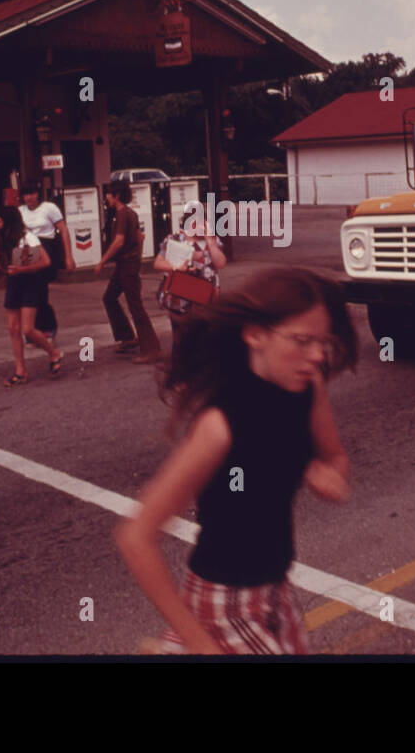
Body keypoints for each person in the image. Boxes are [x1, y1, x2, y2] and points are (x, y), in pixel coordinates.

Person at [115, 267, 358, 654]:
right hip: (222, 604)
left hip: (276, 592)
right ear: (255, 335)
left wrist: (327, 474)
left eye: (321, 342)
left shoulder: (306, 387)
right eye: (301, 340)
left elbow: (335, 457)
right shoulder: (220, 425)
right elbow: (135, 536)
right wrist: (200, 643)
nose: (315, 355)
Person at [0, 208, 63, 385]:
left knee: (27, 329)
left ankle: (53, 353)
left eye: (0, 221)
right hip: (14, 282)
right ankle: (20, 370)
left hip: (31, 283)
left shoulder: (28, 237)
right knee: (12, 328)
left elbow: (46, 261)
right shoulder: (5, 238)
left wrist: (21, 269)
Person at [95, 181, 160, 364]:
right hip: (127, 264)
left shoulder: (123, 213)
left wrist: (102, 261)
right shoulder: (129, 213)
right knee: (109, 297)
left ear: (116, 195)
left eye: (108, 194)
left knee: (135, 306)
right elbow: (140, 238)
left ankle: (152, 349)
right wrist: (138, 262)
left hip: (126, 264)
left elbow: (118, 242)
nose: (106, 197)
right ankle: (128, 337)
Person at [153, 202, 227, 350]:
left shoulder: (212, 240)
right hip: (180, 296)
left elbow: (220, 263)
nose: (198, 226)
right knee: (180, 339)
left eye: (201, 222)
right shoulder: (174, 239)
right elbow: (158, 263)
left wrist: (210, 241)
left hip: (205, 297)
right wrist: (175, 267)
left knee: (203, 338)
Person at [18, 182, 73, 339]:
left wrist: (68, 256)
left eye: (32, 193)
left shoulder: (49, 208)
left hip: (46, 249)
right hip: (27, 250)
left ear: (38, 193)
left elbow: (63, 230)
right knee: (27, 291)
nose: (29, 197)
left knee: (40, 289)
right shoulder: (20, 211)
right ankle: (34, 330)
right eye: (26, 194)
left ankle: (47, 326)